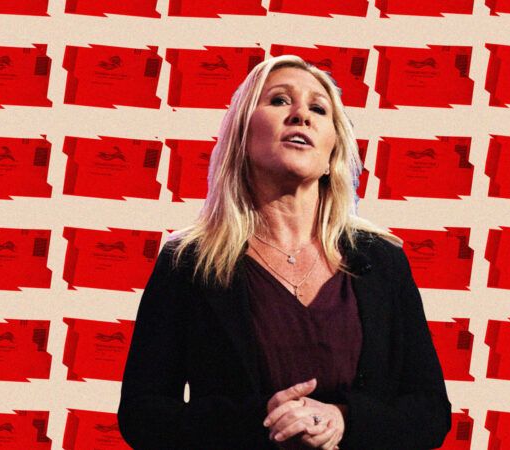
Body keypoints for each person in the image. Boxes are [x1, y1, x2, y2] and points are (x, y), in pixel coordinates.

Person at [117, 54, 452, 449]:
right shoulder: (188, 261)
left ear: (332, 155)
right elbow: (143, 414)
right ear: (242, 136)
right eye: (278, 101)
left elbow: (430, 411)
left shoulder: (382, 260)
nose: (300, 115)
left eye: (318, 108)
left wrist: (343, 419)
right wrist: (262, 422)